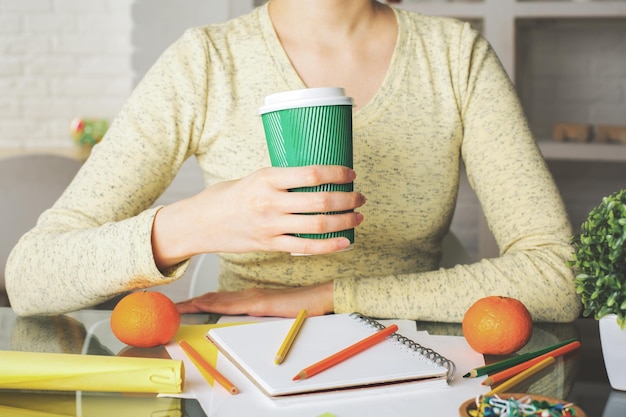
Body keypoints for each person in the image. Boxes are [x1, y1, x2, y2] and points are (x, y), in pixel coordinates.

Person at [6, 0, 581, 322]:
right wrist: (194, 224)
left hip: (414, 357)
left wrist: (332, 297)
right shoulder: (205, 62)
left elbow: (557, 277)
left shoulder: (456, 58)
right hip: (241, 363)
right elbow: (31, 277)